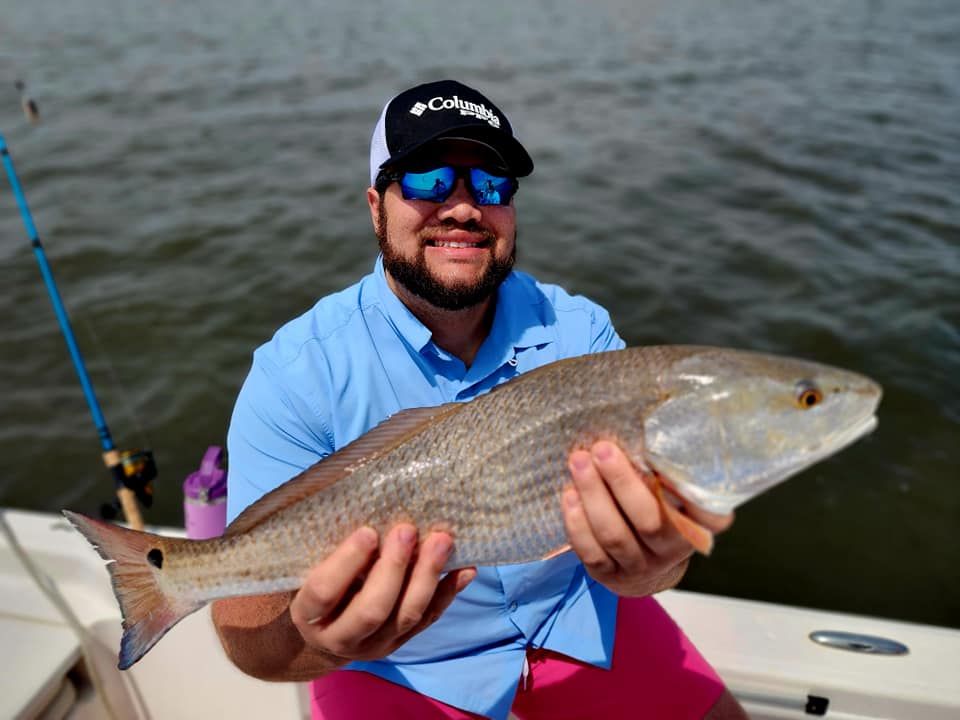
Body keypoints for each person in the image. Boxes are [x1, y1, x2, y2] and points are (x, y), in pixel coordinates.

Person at [213, 80, 747, 720]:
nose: (464, 207)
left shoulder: (584, 335)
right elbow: (246, 631)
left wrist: (653, 570)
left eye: (491, 185)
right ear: (375, 207)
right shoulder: (295, 373)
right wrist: (319, 642)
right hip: (400, 665)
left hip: (578, 620)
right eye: (429, 180)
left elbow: (659, 546)